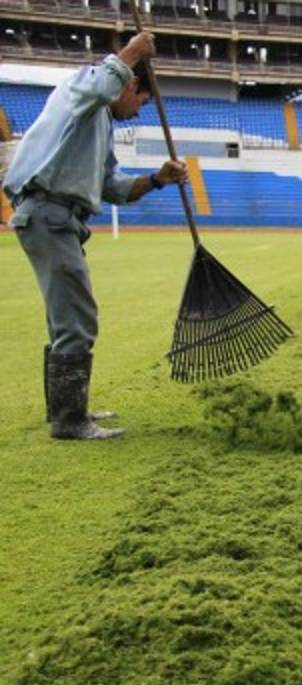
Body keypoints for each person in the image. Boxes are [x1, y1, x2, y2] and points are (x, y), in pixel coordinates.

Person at [3, 34, 189, 441]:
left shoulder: (97, 121)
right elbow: (101, 82)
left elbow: (112, 187)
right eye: (141, 101)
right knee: (78, 319)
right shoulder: (83, 88)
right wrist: (134, 52)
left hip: (58, 218)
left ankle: (65, 409)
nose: (138, 111)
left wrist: (157, 179)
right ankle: (70, 421)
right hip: (49, 214)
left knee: (65, 318)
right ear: (128, 84)